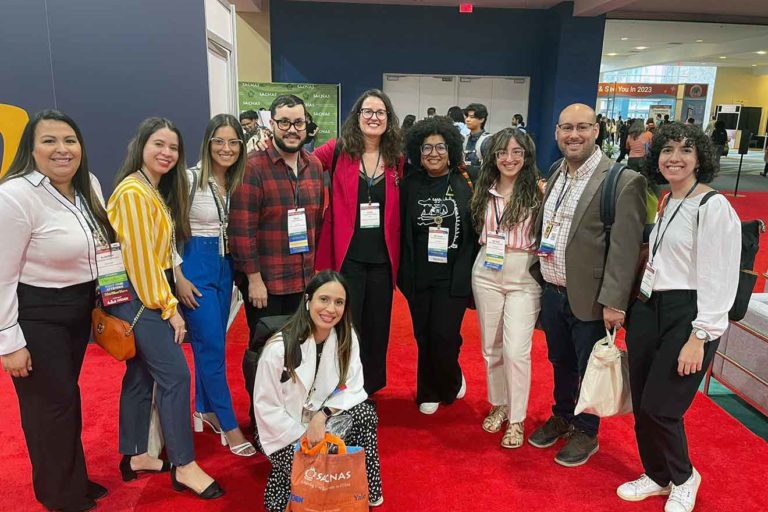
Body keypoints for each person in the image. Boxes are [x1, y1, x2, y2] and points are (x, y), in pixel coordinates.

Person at [617, 122, 740, 512]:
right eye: (667, 150)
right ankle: (657, 474)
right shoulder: (669, 200)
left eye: (686, 150)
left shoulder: (712, 206)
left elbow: (720, 277)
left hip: (687, 314)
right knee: (642, 403)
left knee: (662, 407)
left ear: (700, 158)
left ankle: (684, 477)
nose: (675, 158)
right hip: (648, 307)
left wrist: (699, 336)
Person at [0, 110, 112, 512]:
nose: (62, 149)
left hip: (77, 308)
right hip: (37, 314)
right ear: (30, 149)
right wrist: (9, 342)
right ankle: (60, 496)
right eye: (49, 141)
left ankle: (72, 480)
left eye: (70, 140)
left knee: (65, 400)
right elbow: (1, 275)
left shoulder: (88, 185)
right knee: (49, 409)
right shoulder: (15, 195)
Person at [108, 117, 223, 499]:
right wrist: (169, 307)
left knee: (141, 375)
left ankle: (136, 454)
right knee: (176, 376)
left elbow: (164, 248)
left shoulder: (152, 189)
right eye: (159, 144)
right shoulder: (133, 192)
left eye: (173, 147)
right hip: (140, 296)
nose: (167, 153)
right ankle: (184, 465)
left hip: (146, 291)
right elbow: (141, 260)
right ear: (141, 145)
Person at [528, 103, 646, 467]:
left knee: (589, 366)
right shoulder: (556, 171)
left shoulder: (622, 181)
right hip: (553, 290)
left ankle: (586, 430)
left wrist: (614, 302)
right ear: (557, 133)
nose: (573, 135)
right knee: (560, 361)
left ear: (597, 130)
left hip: (592, 297)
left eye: (582, 127)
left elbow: (625, 250)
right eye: (566, 128)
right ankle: (563, 414)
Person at [253, 270, 383, 511]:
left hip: (322, 419)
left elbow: (352, 385)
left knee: (365, 414)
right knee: (310, 473)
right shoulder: (279, 348)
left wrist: (321, 417)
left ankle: (368, 494)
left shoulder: (346, 337)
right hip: (283, 430)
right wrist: (305, 436)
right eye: (324, 299)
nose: (331, 309)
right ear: (308, 300)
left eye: (339, 302)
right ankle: (287, 489)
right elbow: (266, 408)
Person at [229, 95, 325, 419]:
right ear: (272, 124)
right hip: (266, 286)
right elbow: (241, 229)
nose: (292, 129)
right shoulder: (253, 167)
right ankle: (263, 421)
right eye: (284, 122)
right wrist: (254, 280)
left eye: (298, 122)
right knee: (265, 356)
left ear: (306, 125)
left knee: (299, 352)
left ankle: (292, 416)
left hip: (303, 282)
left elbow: (316, 224)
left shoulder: (315, 167)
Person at [313, 89, 404, 395]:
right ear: (357, 116)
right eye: (368, 111)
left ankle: (369, 389)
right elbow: (304, 162)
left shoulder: (397, 158)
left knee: (378, 328)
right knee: (347, 327)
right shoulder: (338, 150)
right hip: (347, 257)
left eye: (380, 112)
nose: (374, 117)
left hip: (382, 260)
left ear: (388, 119)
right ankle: (343, 386)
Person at [174, 114, 255, 456]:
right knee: (212, 349)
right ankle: (228, 423)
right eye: (219, 141)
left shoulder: (238, 182)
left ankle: (204, 409)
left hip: (226, 268)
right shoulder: (189, 179)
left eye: (234, 142)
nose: (226, 148)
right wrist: (178, 276)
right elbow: (165, 230)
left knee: (213, 342)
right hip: (195, 269)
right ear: (208, 144)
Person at [399, 116, 479, 414]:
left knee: (444, 335)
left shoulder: (466, 181)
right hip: (419, 275)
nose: (434, 153)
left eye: (440, 147)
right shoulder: (409, 184)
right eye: (427, 148)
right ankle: (428, 390)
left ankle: (452, 377)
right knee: (424, 336)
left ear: (451, 149)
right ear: (418, 152)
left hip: (453, 275)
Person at [469, 128, 542, 448]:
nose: (509, 159)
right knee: (491, 348)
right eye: (502, 152)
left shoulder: (538, 192)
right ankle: (499, 404)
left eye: (516, 152)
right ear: (493, 156)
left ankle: (517, 418)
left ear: (527, 156)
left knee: (516, 351)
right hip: (486, 269)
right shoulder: (483, 188)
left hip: (523, 274)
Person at [463, 103, 492, 167]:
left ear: (481, 119)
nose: (467, 120)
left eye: (471, 117)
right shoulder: (465, 139)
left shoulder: (487, 140)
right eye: (467, 116)